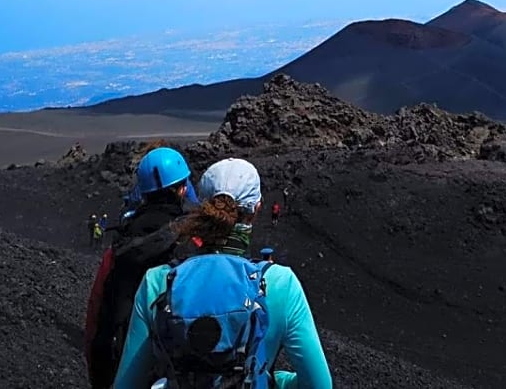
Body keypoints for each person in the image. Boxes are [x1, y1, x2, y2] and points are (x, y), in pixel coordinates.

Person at [113, 157, 332, 388]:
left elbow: (127, 384)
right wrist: (276, 380)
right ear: (257, 210)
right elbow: (320, 385)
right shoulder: (281, 283)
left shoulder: (158, 281)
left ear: (202, 208)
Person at [84, 146, 194, 389]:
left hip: (123, 364)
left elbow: (96, 320)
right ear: (182, 189)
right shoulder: (193, 243)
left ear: (144, 193)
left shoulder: (120, 248)